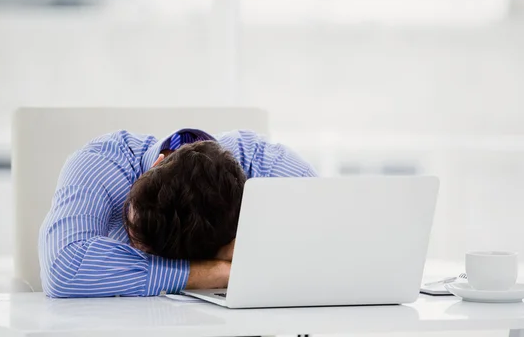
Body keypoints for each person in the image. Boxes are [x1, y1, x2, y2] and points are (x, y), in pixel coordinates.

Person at [39, 128, 317, 298]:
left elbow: (335, 242)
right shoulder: (100, 161)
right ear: (157, 163)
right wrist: (208, 272)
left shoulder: (268, 165)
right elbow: (64, 267)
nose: (136, 249)